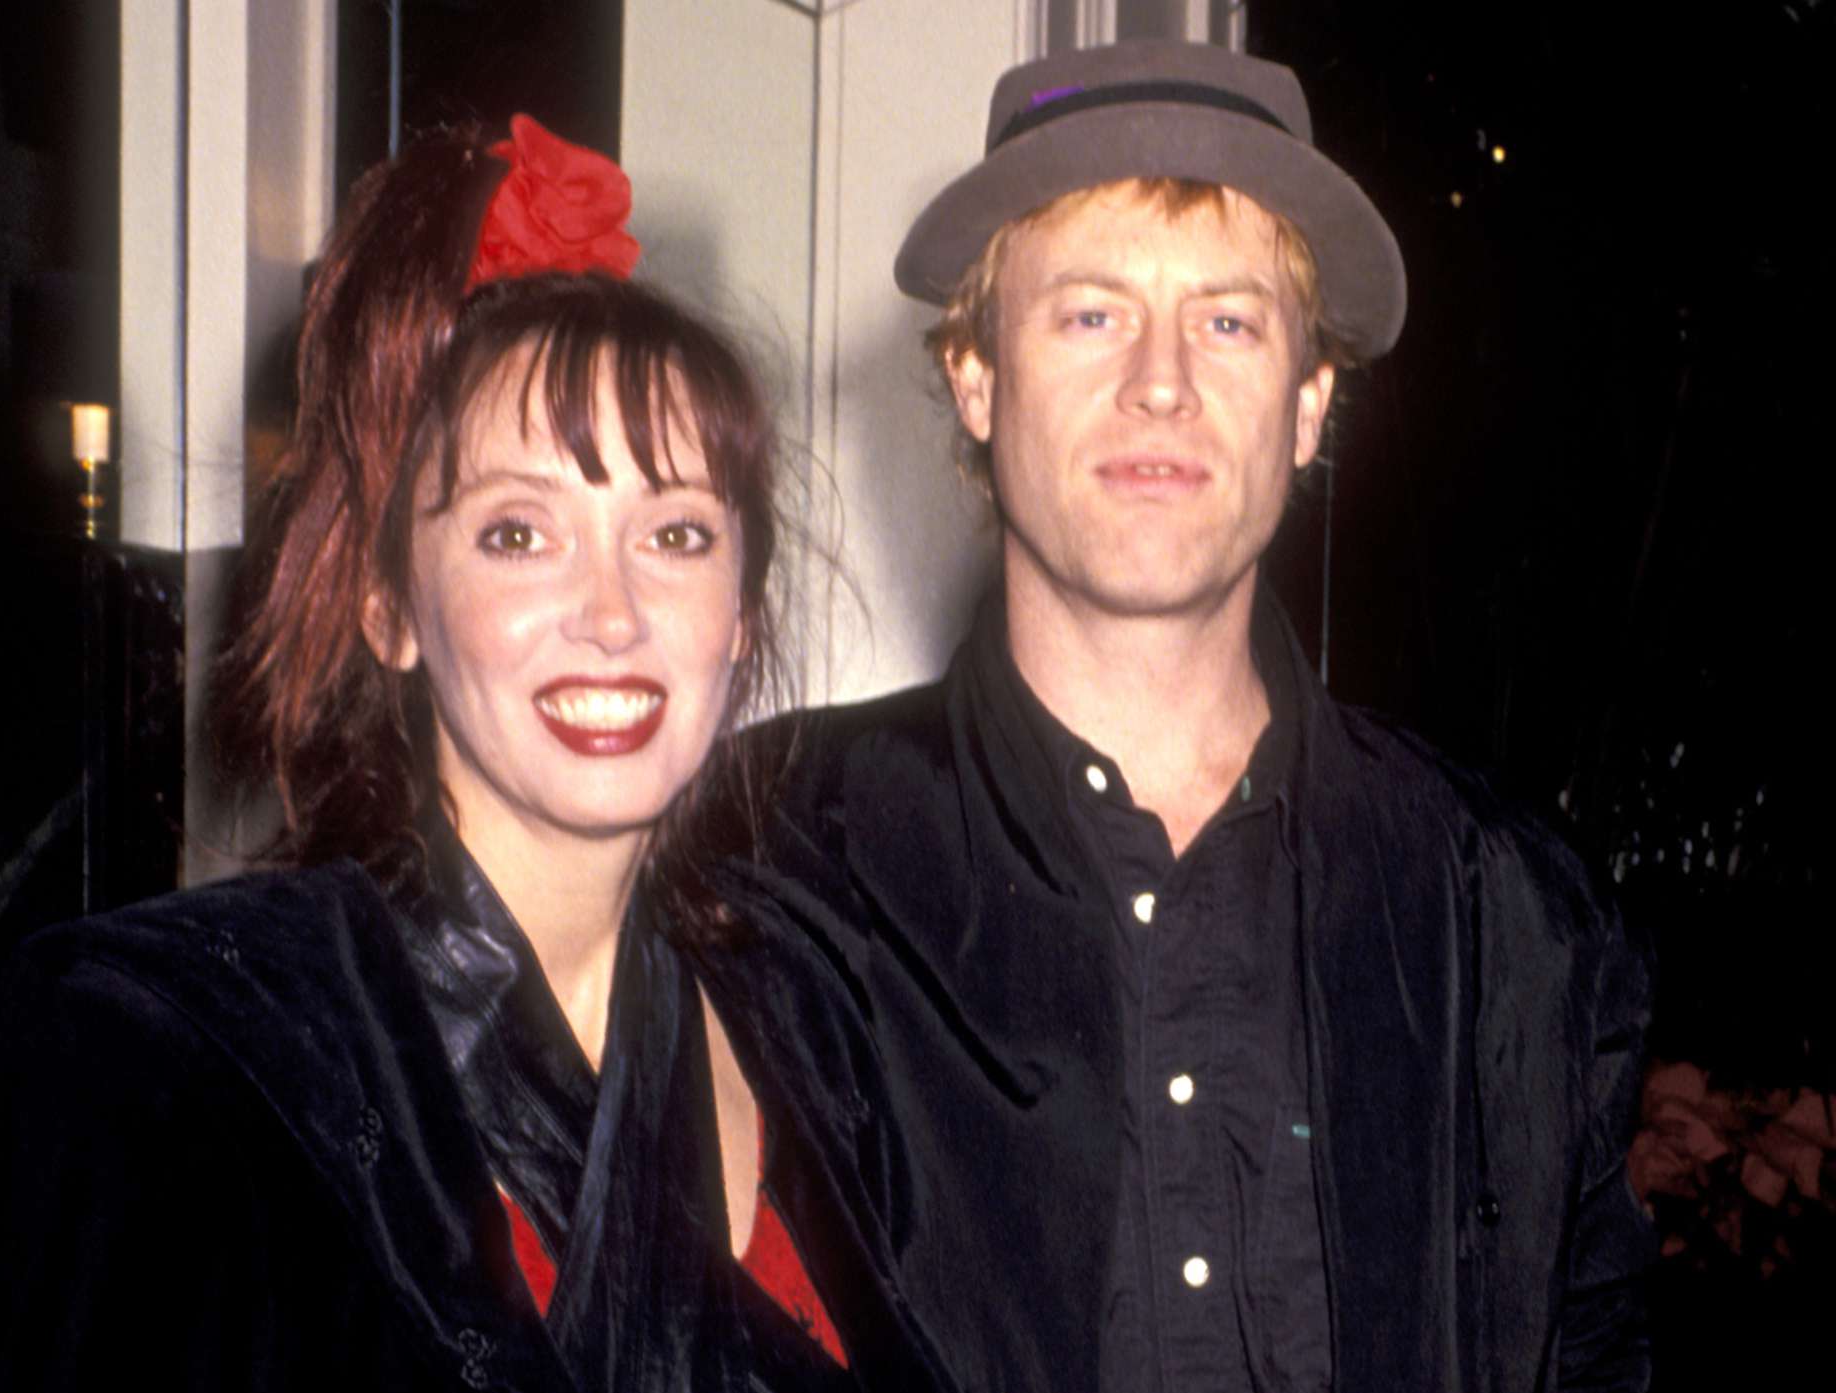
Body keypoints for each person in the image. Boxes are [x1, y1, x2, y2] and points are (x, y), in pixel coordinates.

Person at [692, 40, 1656, 1393]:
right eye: (1089, 313)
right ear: (975, 379)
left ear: (1310, 404)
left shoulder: (1509, 916)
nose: (1161, 381)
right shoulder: (756, 872)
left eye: (1229, 321)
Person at [0, 118, 857, 1391]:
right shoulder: (175, 1051)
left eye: (675, 534)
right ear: (388, 608)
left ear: (741, 615)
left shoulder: (815, 1030)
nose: (614, 613)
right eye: (518, 534)